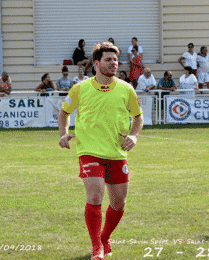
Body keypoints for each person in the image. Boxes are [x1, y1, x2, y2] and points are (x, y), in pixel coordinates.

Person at [58, 41, 144, 260]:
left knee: (118, 204)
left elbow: (138, 117)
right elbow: (64, 112)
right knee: (95, 196)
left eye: (115, 60)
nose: (114, 63)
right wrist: (63, 133)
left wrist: (134, 135)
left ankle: (105, 237)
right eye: (108, 59)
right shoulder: (80, 88)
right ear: (96, 64)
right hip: (89, 151)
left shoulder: (126, 89)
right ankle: (97, 248)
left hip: (116, 153)